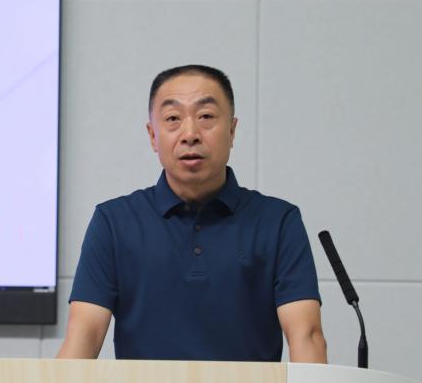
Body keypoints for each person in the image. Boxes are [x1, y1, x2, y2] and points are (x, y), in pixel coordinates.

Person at [57, 64, 327, 363]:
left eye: (206, 116)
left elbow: (306, 335)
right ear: (152, 136)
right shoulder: (114, 222)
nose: (190, 134)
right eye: (173, 119)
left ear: (232, 130)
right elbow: (84, 334)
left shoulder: (278, 221)